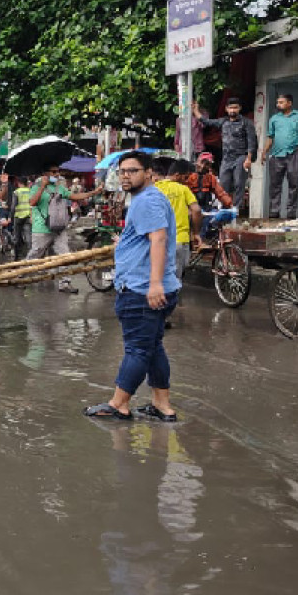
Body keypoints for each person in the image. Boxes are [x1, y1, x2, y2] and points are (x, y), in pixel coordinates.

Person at [85, 151, 180, 421]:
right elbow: (147, 239)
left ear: (149, 172)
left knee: (137, 349)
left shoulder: (147, 200)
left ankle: (118, 404)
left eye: (133, 171)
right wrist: (124, 245)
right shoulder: (149, 199)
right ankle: (162, 405)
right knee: (152, 347)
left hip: (142, 289)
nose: (125, 176)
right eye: (122, 171)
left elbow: (158, 240)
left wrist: (154, 285)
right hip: (152, 285)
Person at [27, 163, 101, 293]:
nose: (57, 174)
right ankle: (21, 275)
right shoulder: (36, 187)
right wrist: (42, 186)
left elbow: (75, 197)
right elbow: (32, 202)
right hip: (42, 228)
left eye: (58, 171)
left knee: (65, 255)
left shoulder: (59, 187)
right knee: (35, 254)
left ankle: (65, 283)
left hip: (59, 228)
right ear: (45, 174)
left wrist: (93, 192)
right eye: (54, 172)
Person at [263, 93, 298, 220]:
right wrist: (264, 152)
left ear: (289, 103)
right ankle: (274, 213)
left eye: (281, 102)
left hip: (293, 155)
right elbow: (270, 137)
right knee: (275, 186)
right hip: (276, 156)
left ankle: (291, 213)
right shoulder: (274, 119)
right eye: (277, 102)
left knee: (294, 185)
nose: (278, 105)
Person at [196, 97, 257, 209]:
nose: (233, 110)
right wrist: (195, 111)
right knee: (223, 184)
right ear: (226, 109)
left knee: (239, 183)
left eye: (235, 108)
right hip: (226, 158)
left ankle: (236, 209)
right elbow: (207, 122)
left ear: (239, 108)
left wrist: (248, 159)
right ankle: (224, 207)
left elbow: (251, 141)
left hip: (241, 157)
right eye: (230, 108)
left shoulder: (246, 123)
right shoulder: (223, 121)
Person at [154, 160, 201, 279]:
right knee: (175, 281)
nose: (186, 181)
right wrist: (196, 233)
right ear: (177, 175)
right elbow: (196, 210)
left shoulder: (154, 189)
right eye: (185, 177)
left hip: (158, 241)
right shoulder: (183, 189)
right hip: (179, 240)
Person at [7, 175, 33, 261]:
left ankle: (17, 257)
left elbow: (13, 206)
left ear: (19, 183)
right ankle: (30, 257)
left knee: (17, 237)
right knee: (28, 236)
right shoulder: (30, 191)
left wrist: (10, 217)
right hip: (28, 216)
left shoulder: (17, 192)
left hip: (18, 217)